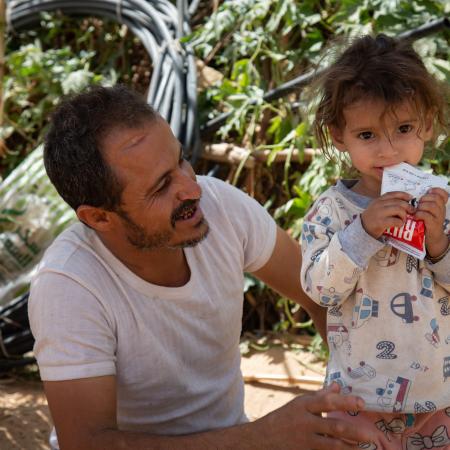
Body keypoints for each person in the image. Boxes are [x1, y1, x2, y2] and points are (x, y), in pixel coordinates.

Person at [28, 84, 376, 450]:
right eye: (162, 186)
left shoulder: (222, 206)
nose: (192, 189)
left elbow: (322, 295)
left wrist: (360, 394)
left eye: (180, 161)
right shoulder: (68, 285)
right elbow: (86, 444)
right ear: (99, 217)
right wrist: (258, 439)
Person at [300, 34, 450, 449]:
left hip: (440, 398)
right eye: (367, 135)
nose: (388, 151)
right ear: (338, 136)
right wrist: (360, 234)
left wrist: (439, 244)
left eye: (403, 129)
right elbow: (320, 289)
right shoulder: (331, 213)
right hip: (358, 400)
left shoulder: (443, 203)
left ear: (428, 124)